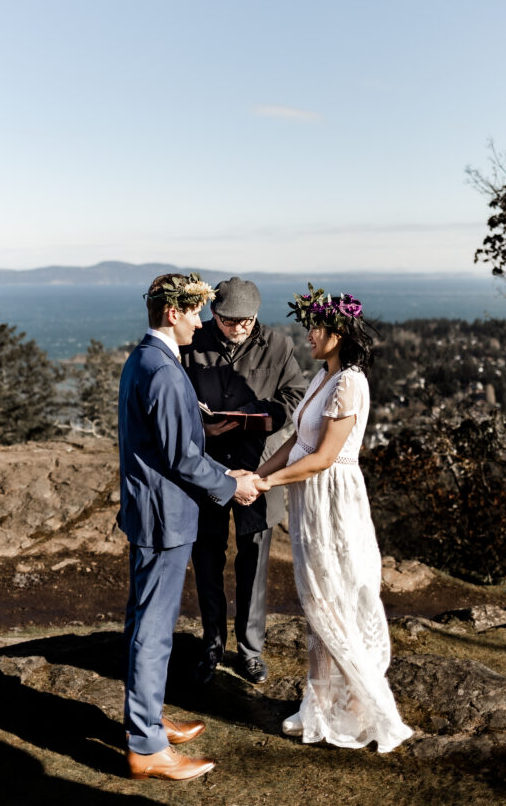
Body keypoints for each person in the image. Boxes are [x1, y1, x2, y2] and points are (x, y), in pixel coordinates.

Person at [254, 286, 414, 752]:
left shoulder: (350, 382)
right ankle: (320, 708)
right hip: (310, 498)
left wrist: (270, 484)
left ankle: (370, 710)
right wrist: (258, 472)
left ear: (339, 332)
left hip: (332, 501)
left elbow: (324, 457)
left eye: (317, 327)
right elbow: (297, 442)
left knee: (333, 598)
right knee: (317, 601)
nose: (309, 335)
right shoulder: (324, 377)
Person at [117, 272, 260, 781]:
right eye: (195, 312)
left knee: (144, 623)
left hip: (152, 509)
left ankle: (148, 719)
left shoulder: (145, 358)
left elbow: (170, 441)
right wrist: (231, 485)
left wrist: (218, 455)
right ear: (172, 312)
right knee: (153, 632)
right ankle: (148, 748)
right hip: (164, 515)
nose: (201, 323)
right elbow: (179, 457)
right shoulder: (160, 367)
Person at [181, 277, 305, 685]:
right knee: (207, 559)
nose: (240, 328)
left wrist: (253, 415)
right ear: (214, 315)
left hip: (259, 469)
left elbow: (294, 396)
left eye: (247, 321)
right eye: (231, 321)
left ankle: (251, 650)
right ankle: (211, 645)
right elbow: (176, 401)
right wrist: (202, 424)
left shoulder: (280, 344)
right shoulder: (192, 345)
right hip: (208, 470)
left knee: (254, 561)